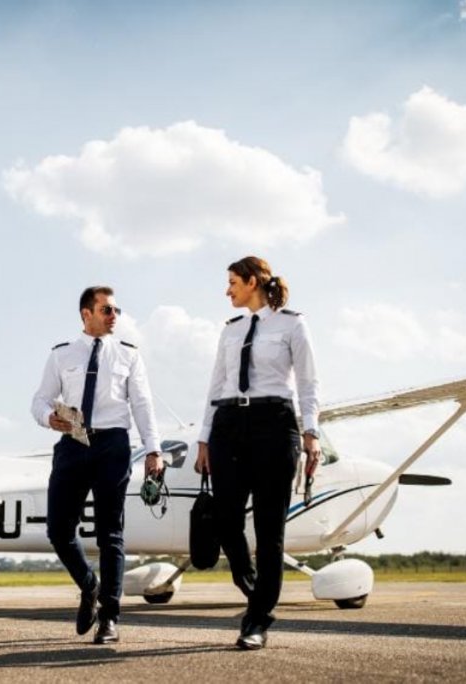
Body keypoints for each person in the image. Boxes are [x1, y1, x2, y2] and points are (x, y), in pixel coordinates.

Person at [194, 256, 321, 650]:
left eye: (232, 282)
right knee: (226, 520)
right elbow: (216, 385)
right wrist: (204, 438)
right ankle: (254, 588)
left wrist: (311, 432)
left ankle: (258, 619)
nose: (227, 290)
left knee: (269, 530)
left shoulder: (292, 324)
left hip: (274, 424)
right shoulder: (230, 330)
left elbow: (308, 383)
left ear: (252, 282)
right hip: (228, 423)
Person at [32, 285, 164, 645]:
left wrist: (153, 450)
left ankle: (109, 617)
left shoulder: (128, 355)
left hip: (113, 446)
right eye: (107, 310)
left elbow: (143, 405)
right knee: (58, 531)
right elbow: (40, 399)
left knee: (111, 535)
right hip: (73, 442)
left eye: (116, 310)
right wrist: (47, 417)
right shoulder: (62, 354)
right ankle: (89, 585)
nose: (114, 316)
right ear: (86, 314)